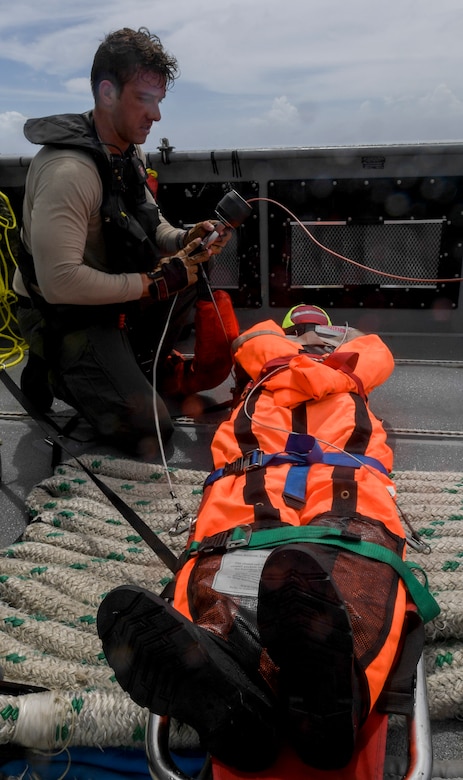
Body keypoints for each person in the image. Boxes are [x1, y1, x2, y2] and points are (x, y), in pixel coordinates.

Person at [97, 308, 436, 772]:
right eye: (302, 325)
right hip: (277, 470)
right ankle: (304, 692)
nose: (310, 334)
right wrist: (311, 352)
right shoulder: (278, 352)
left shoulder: (310, 358)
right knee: (309, 550)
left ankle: (244, 686)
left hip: (319, 468)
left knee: (325, 550)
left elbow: (369, 354)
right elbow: (257, 342)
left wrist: (304, 354)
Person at [12, 27, 233, 459]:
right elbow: (59, 284)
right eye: (144, 100)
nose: (156, 116)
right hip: (62, 316)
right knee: (149, 427)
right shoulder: (69, 172)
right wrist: (153, 284)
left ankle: (122, 365)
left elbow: (154, 228)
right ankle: (53, 370)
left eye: (159, 102)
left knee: (192, 270)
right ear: (107, 93)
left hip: (108, 298)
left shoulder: (129, 153)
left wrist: (185, 239)